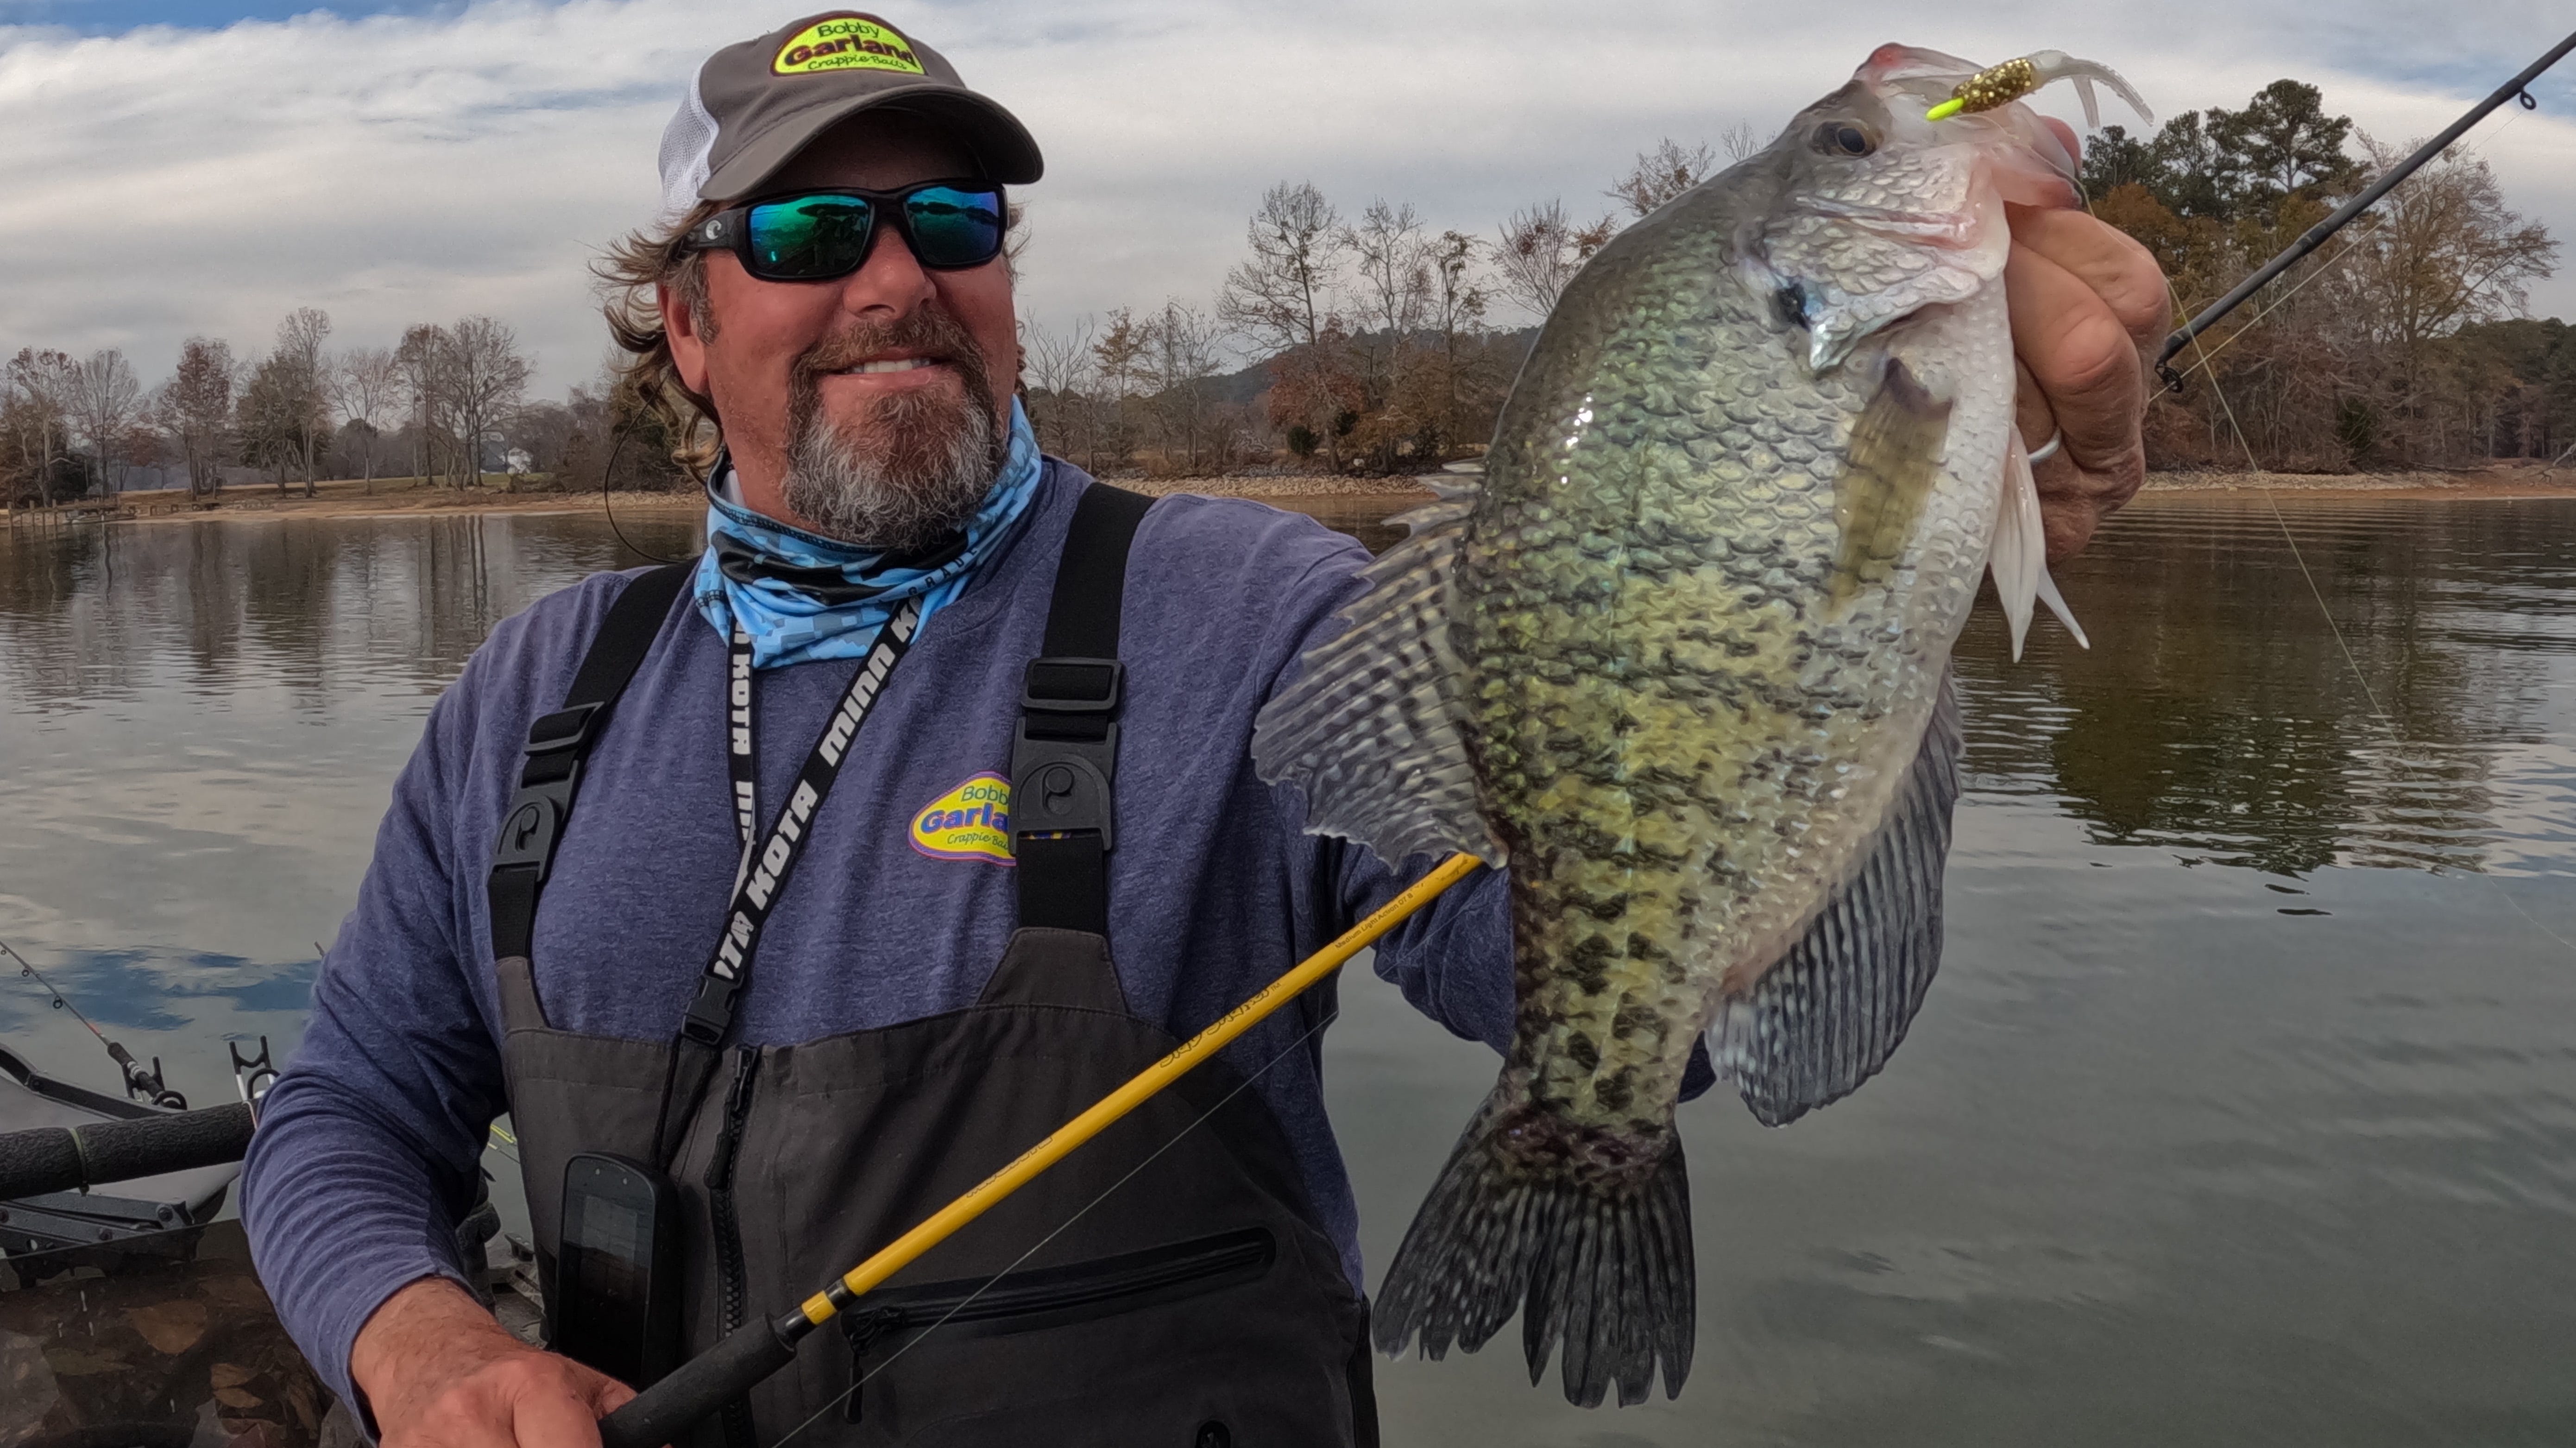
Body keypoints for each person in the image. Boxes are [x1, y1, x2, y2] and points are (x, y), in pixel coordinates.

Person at [240, 12, 2168, 1447]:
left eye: (955, 220)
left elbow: (1553, 966)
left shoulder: (1237, 611)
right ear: (682, 319)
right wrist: (421, 1341)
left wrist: (1846, 606)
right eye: (816, 226)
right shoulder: (538, 692)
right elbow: (344, 1115)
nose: (898, 280)